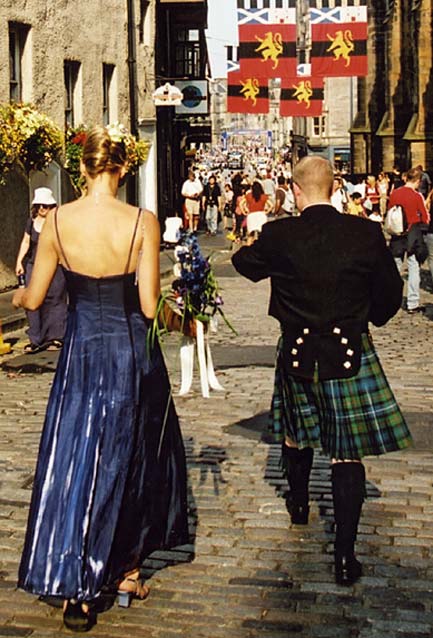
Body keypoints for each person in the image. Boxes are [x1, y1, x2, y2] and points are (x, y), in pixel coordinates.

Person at [13, 126, 190, 632]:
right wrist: (188, 319)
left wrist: (21, 301)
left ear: (82, 168)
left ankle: (79, 586)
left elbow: (35, 293)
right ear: (122, 168)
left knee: (77, 460)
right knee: (130, 459)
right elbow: (151, 305)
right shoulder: (141, 222)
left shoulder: (58, 223)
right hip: (132, 356)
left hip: (82, 357)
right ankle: (126, 570)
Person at [232, 155, 412, 587]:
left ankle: (298, 504)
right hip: (349, 350)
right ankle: (345, 558)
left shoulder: (280, 234)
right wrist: (363, 315)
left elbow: (244, 265)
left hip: (296, 351)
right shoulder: (365, 233)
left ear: (294, 192)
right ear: (334, 189)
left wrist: (259, 237)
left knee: (295, 433)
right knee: (345, 452)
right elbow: (391, 296)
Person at [15, 187, 67, 353]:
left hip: (55, 266)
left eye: (45, 205)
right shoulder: (31, 222)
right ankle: (35, 339)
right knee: (33, 300)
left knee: (55, 300)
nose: (42, 209)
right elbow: (26, 242)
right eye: (39, 205)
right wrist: (19, 262)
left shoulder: (58, 222)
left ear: (52, 206)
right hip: (34, 265)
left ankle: (55, 337)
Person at [387, 166, 430, 314]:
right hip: (413, 234)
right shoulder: (417, 196)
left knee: (395, 268)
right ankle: (412, 303)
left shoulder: (395, 194)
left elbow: (390, 211)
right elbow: (425, 218)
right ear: (417, 181)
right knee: (413, 268)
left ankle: (389, 300)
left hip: (397, 234)